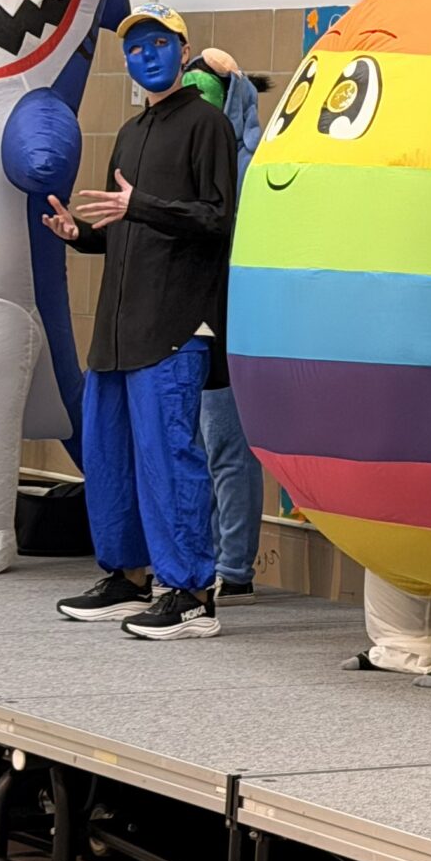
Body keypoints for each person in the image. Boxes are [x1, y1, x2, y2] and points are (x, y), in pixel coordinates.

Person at [44, 6, 239, 640]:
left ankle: (191, 594)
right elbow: (126, 229)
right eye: (135, 49)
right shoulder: (130, 133)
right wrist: (81, 234)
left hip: (174, 327)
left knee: (169, 459)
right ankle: (129, 576)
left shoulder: (208, 124)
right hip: (118, 331)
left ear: (182, 50)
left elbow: (218, 218)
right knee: (110, 459)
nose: (146, 56)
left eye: (158, 44)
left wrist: (142, 205)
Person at [180, 47, 265, 598]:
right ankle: (209, 557)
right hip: (190, 311)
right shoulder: (190, 154)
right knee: (198, 443)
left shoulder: (251, 162)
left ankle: (233, 566)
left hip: (236, 316)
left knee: (226, 443)